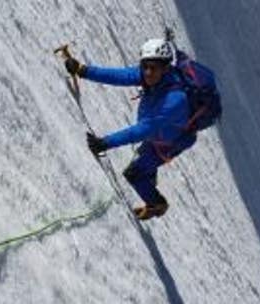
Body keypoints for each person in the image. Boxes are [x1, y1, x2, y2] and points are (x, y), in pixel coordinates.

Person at [64, 38, 196, 221]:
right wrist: (83, 70)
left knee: (133, 174)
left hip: (170, 142)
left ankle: (157, 204)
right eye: (145, 66)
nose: (148, 72)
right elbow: (121, 76)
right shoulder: (152, 75)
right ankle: (149, 176)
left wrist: (105, 143)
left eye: (154, 68)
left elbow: (143, 130)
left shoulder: (175, 100)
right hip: (159, 133)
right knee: (145, 161)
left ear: (166, 68)